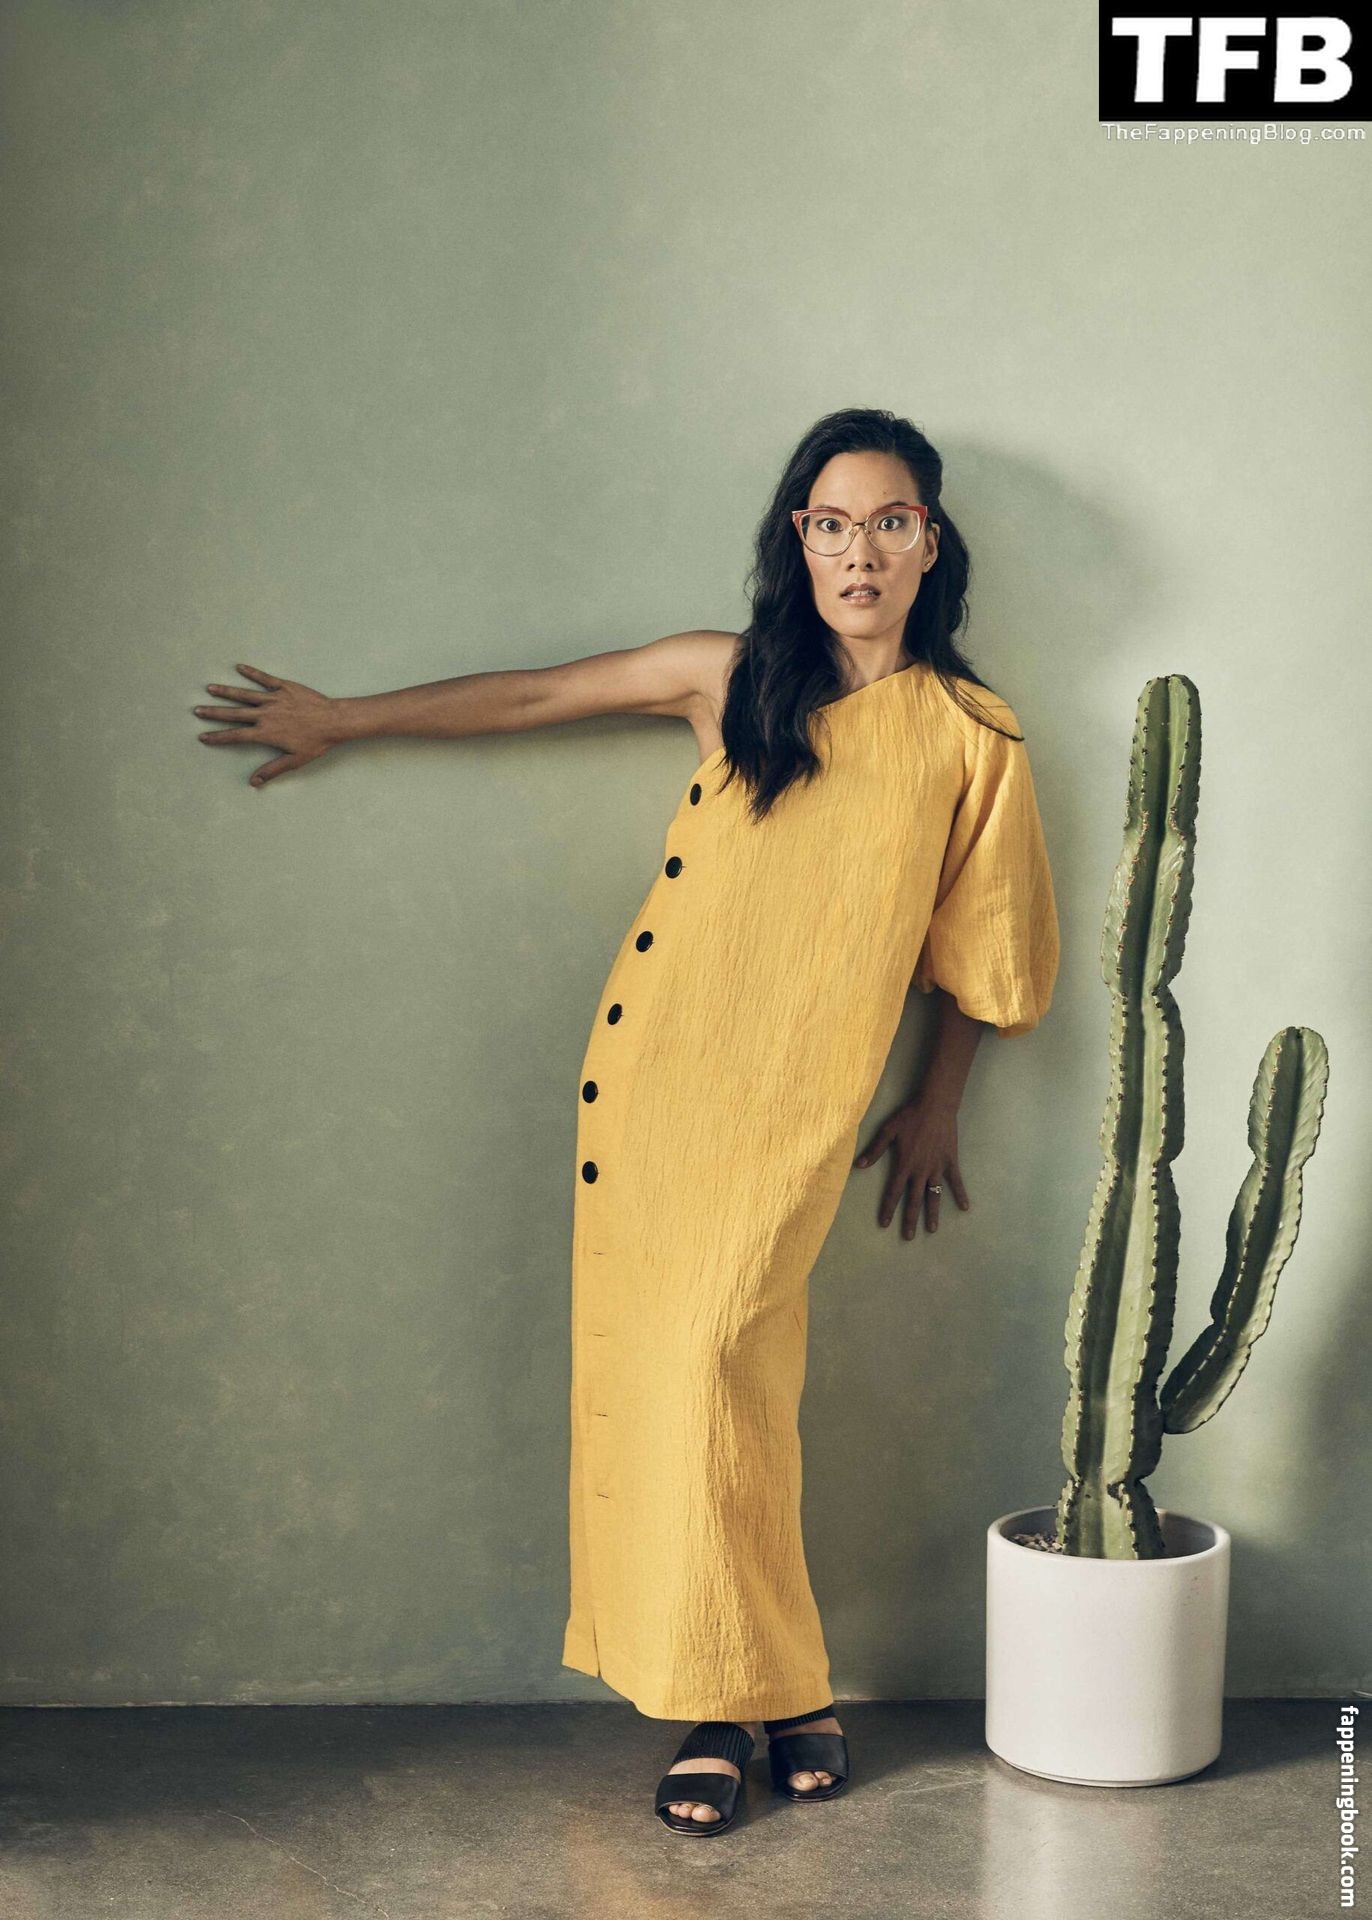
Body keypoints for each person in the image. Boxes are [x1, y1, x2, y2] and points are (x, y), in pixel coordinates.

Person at [192, 406, 1061, 1836]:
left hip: (793, 1113)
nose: (859, 550)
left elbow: (986, 950)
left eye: (889, 521)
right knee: (698, 1388)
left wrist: (937, 1102)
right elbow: (536, 698)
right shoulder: (732, 679)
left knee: (723, 1375)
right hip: (659, 1081)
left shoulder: (975, 736)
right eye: (831, 523)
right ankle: (753, 1701)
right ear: (801, 540)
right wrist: (344, 716)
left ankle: (760, 1688)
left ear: (930, 543)